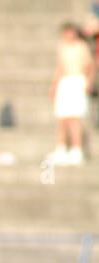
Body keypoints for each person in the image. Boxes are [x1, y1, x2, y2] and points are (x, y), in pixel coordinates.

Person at [50, 23, 95, 165]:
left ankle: (77, 149)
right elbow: (60, 68)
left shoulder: (82, 47)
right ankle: (61, 148)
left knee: (74, 119)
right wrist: (54, 85)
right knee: (62, 118)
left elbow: (91, 66)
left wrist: (89, 82)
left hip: (78, 81)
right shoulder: (62, 47)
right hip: (65, 82)